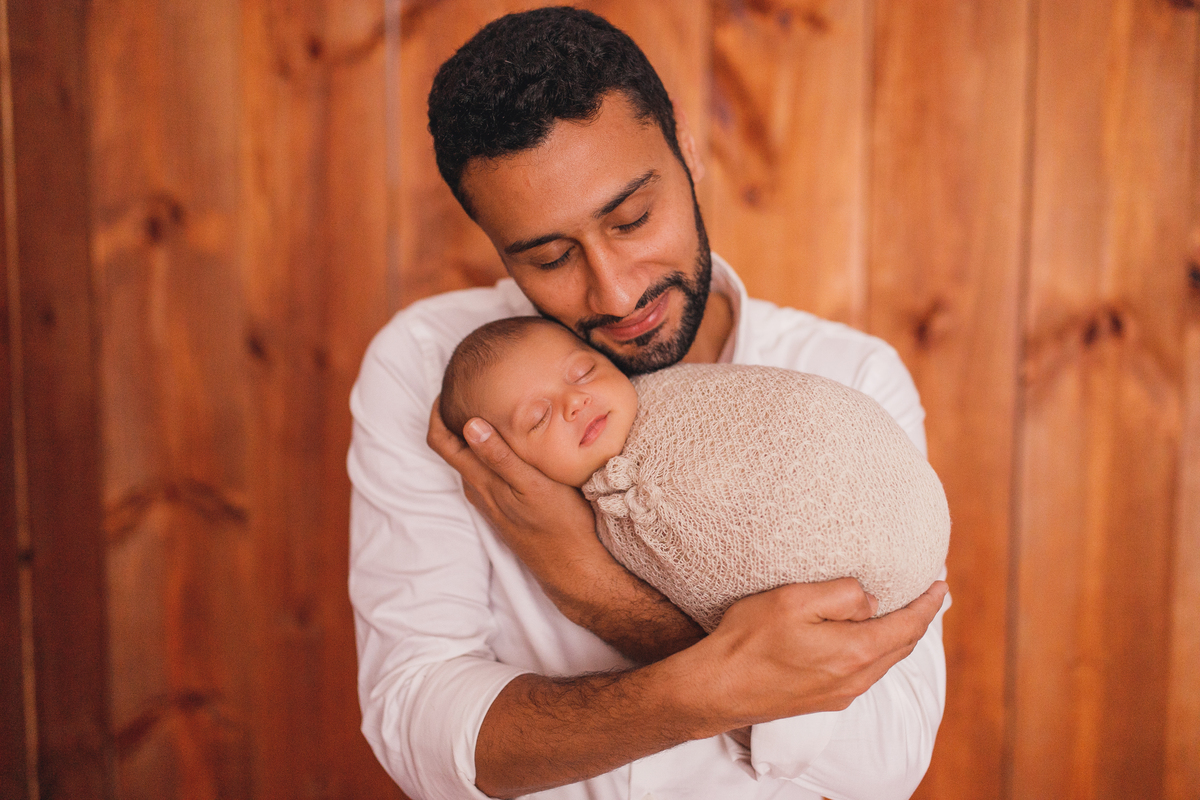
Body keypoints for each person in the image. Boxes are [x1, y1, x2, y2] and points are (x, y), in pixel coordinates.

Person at [348, 7, 951, 800]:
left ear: (688, 153)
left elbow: (888, 762)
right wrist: (711, 687)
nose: (616, 288)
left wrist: (596, 587)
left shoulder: (850, 377)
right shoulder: (431, 370)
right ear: (499, 252)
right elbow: (417, 728)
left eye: (632, 219)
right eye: (550, 257)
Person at [437, 315, 950, 631]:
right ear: (504, 465)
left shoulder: (690, 394)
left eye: (583, 372)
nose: (574, 401)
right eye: (538, 417)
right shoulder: (617, 510)